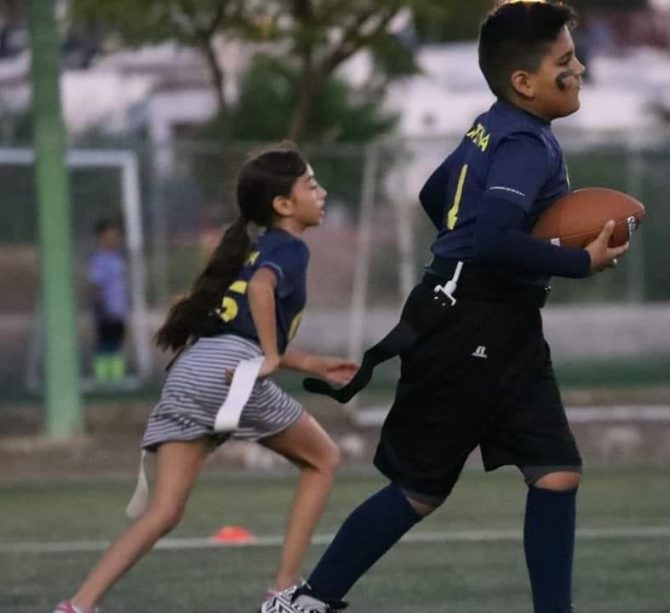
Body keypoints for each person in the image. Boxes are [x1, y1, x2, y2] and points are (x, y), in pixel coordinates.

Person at [270, 2, 630, 613]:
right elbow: (491, 238)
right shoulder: (525, 144)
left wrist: (457, 247)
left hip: (504, 322)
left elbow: (435, 191)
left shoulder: (495, 124)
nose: (581, 69)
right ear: (525, 82)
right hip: (467, 325)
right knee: (419, 489)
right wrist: (579, 262)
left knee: (556, 470)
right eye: (566, 61)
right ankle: (305, 604)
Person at [54, 142, 358, 613]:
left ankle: (78, 605)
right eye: (311, 186)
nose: (320, 193)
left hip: (191, 370)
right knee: (323, 459)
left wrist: (310, 363)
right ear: (283, 205)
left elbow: (240, 328)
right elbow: (261, 295)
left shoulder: (251, 251)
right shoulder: (289, 248)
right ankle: (283, 592)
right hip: (228, 373)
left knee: (164, 511)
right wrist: (274, 357)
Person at [88, 219, 129, 384]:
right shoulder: (99, 260)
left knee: (117, 341)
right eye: (109, 236)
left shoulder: (117, 259)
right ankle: (103, 376)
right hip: (105, 309)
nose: (113, 240)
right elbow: (96, 284)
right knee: (105, 342)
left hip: (119, 308)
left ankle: (116, 376)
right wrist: (101, 306)